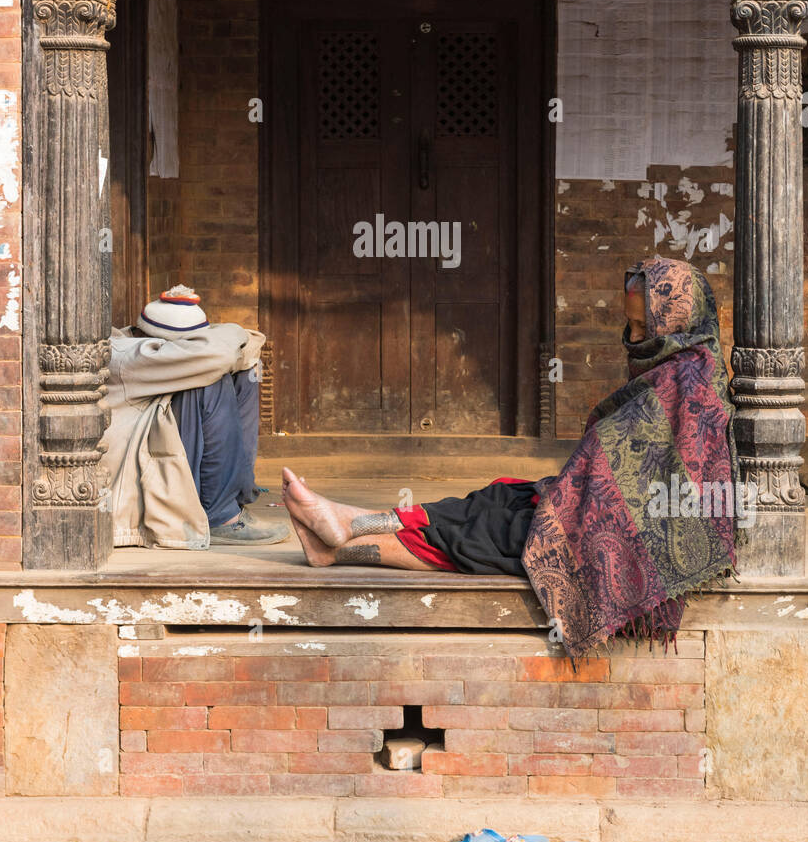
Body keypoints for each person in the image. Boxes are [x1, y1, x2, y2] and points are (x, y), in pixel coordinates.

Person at [282, 256, 739, 658]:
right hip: (594, 504)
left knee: (481, 536)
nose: (633, 338)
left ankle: (341, 545)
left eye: (644, 329)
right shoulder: (679, 365)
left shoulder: (688, 383)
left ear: (676, 323)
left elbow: (659, 476)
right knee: (494, 498)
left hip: (624, 530)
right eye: (631, 325)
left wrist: (574, 498)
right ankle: (350, 522)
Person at [102, 285, 289, 549]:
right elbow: (223, 352)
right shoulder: (128, 354)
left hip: (168, 455)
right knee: (211, 381)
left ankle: (237, 497)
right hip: (142, 473)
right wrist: (223, 331)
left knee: (248, 371)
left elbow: (252, 344)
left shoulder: (158, 348)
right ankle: (220, 516)